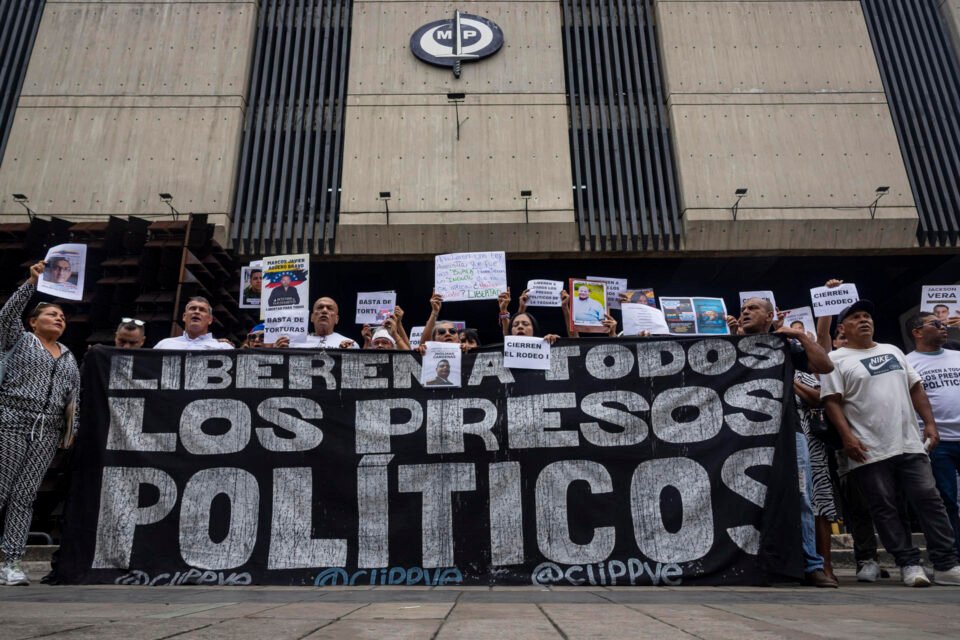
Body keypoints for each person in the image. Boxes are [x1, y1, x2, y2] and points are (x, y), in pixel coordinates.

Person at [821, 300, 960, 587]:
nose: (864, 320)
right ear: (842, 328)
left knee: (930, 500)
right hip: (868, 448)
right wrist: (847, 437)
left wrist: (930, 423)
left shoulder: (893, 351)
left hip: (910, 442)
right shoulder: (835, 359)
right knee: (884, 507)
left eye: (867, 316)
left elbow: (916, 387)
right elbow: (831, 402)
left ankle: (946, 564)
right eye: (856, 317)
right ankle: (908, 564)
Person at [738, 296, 838, 588]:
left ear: (770, 316)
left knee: (800, 495)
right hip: (740, 433)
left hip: (787, 432)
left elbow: (825, 366)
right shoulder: (729, 346)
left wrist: (798, 336)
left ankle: (811, 565)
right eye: (743, 309)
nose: (745, 312)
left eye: (753, 308)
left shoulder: (786, 346)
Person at [0, 261, 81, 586]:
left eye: (62, 317)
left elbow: (74, 400)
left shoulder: (69, 355)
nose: (59, 319)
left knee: (24, 496)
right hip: (11, 422)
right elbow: (6, 316)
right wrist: (30, 284)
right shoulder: (19, 340)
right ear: (33, 322)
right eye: (51, 314)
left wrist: (69, 433)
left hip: (47, 432)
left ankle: (11, 562)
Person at [906, 312, 960, 558]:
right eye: (935, 323)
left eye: (943, 323)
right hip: (938, 442)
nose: (943, 326)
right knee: (946, 500)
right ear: (917, 332)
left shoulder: (957, 356)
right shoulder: (907, 362)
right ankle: (954, 554)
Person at [153, 297, 234, 350]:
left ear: (210, 320)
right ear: (184, 317)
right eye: (193, 308)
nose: (196, 312)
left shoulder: (223, 348)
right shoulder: (164, 345)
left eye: (202, 310)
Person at [292, 297, 358, 349]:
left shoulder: (350, 345)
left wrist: (346, 353)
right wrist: (285, 350)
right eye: (320, 307)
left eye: (330, 308)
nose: (324, 310)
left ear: (336, 319)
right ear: (312, 317)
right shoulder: (294, 344)